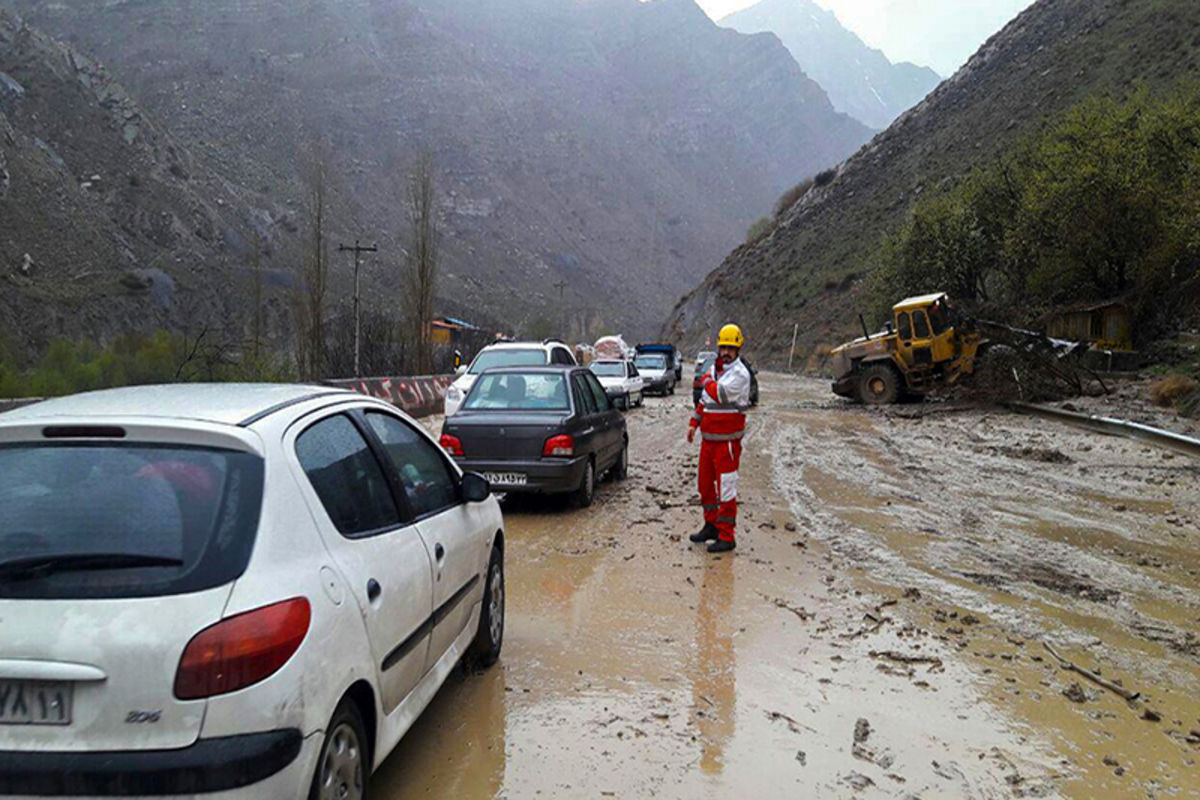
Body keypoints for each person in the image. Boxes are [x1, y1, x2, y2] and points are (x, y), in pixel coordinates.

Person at [687, 324, 752, 554]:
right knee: (705, 486)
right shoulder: (714, 371)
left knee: (726, 489)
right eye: (723, 347)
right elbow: (705, 401)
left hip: (727, 443)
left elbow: (719, 394)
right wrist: (694, 423)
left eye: (730, 349)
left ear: (738, 350)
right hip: (708, 441)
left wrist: (706, 381)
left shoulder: (740, 374)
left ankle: (727, 536)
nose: (726, 352)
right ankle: (711, 525)